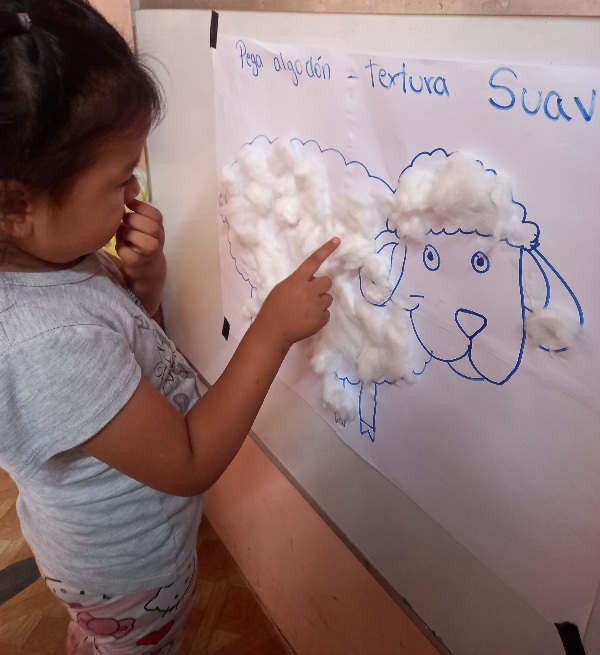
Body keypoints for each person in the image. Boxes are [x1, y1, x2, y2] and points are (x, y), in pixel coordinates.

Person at [0, 2, 339, 653]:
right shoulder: (47, 344)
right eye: (118, 179)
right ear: (17, 205)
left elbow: (124, 342)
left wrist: (143, 281)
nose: (134, 191)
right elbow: (187, 460)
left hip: (111, 559)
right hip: (129, 579)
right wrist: (270, 330)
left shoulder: (50, 260)